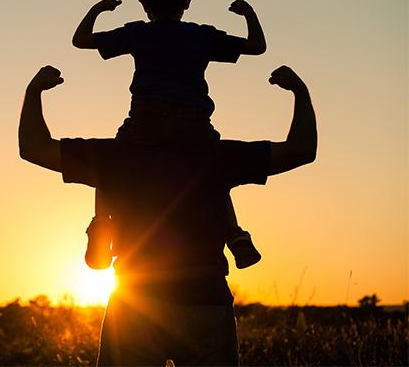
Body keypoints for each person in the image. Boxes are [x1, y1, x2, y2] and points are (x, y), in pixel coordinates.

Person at [18, 64, 316, 365]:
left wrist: (34, 92)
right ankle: (236, 235)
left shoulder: (115, 156)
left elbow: (34, 147)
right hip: (206, 301)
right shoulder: (217, 155)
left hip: (136, 303)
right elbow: (301, 150)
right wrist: (299, 92)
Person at [72, 0, 267, 269]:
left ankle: (101, 228)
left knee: (107, 164)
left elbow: (81, 40)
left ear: (143, 3)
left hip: (146, 119)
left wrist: (98, 9)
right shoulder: (201, 36)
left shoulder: (138, 32)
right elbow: (257, 47)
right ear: (188, 1)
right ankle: (234, 234)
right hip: (194, 122)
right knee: (214, 175)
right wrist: (248, 14)